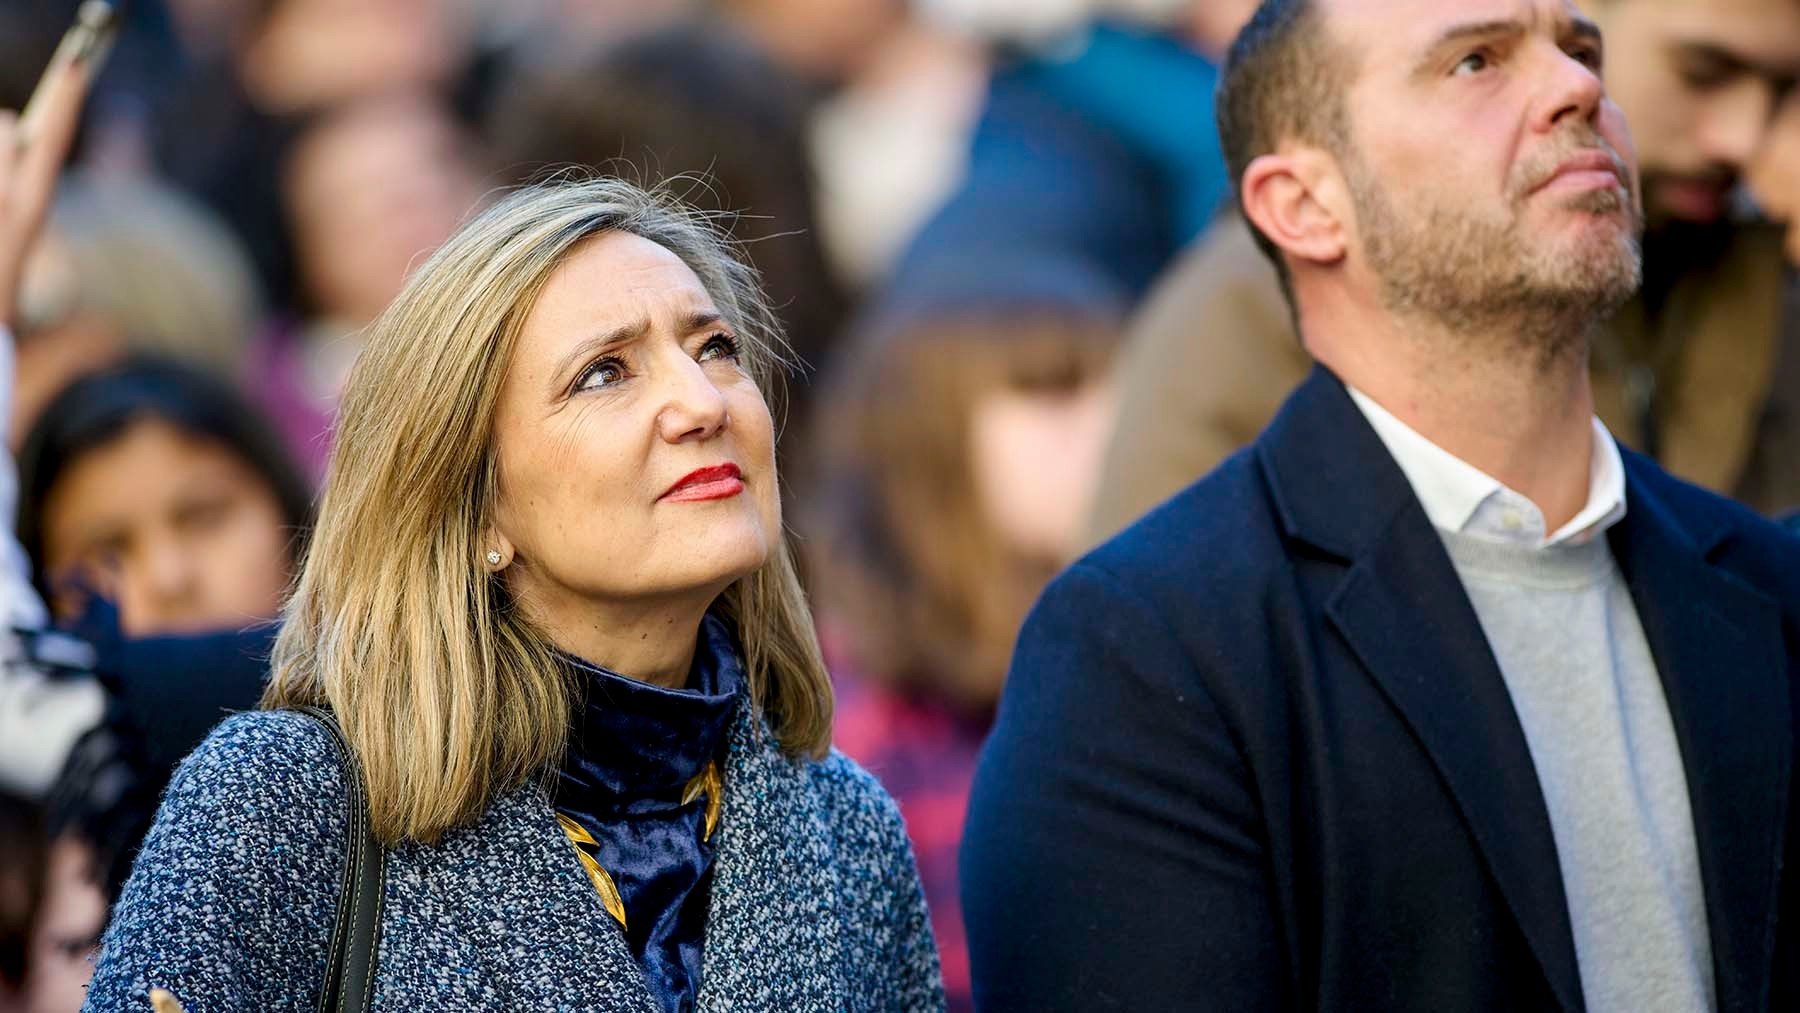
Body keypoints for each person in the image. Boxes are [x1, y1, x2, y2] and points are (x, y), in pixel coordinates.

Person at [962, 0, 1800, 1009]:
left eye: (1582, 50)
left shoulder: (1772, 591)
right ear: (1305, 204)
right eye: (1477, 62)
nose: (1579, 86)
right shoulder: (1143, 658)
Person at [83, 177, 943, 1012]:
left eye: (713, 346)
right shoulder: (282, 802)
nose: (700, 402)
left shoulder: (849, 828)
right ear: (475, 504)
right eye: (604, 372)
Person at [1087, 0, 1800, 540]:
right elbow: (1155, 638)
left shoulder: (1763, 271)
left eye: (1785, 90)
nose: (1744, 138)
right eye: (1703, 72)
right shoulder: (1250, 305)